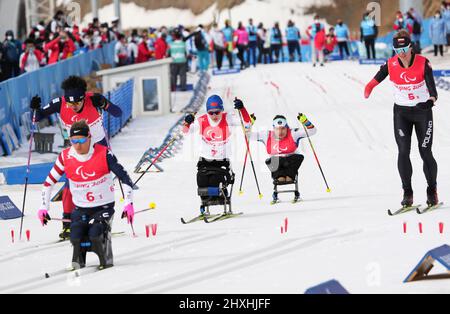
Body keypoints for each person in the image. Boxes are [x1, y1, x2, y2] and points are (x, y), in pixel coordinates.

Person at [29, 76, 123, 239]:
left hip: (98, 148)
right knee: (70, 183)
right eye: (70, 103)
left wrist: (105, 104)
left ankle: (101, 220)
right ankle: (67, 225)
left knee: (98, 183)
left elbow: (118, 113)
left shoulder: (93, 99)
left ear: (83, 98)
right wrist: (35, 109)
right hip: (77, 149)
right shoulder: (59, 102)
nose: (73, 107)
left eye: (77, 103)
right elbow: (37, 118)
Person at [38, 120, 135, 270]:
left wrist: (129, 204)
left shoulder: (104, 153)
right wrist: (43, 208)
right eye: (74, 141)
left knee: (95, 234)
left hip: (103, 207)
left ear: (89, 137)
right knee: (75, 236)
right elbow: (48, 183)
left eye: (82, 140)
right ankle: (78, 261)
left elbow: (125, 178)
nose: (78, 145)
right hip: (81, 208)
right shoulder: (65, 156)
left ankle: (105, 258)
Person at [364, 30, 439, 208]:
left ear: (411, 47)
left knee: (425, 151)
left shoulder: (423, 63)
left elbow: (433, 91)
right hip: (401, 114)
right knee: (403, 152)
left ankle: (432, 190)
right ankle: (407, 192)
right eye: (398, 50)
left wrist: (429, 102)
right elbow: (373, 82)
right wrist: (368, 88)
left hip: (422, 112)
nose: (402, 54)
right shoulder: (391, 64)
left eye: (404, 49)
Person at [182, 95, 252, 216]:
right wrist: (186, 122)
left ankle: (220, 199)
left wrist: (242, 109)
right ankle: (205, 203)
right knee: (201, 181)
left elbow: (247, 124)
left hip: (222, 161)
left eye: (217, 112)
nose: (214, 116)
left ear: (222, 110)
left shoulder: (228, 118)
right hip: (205, 160)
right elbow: (184, 132)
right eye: (211, 113)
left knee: (215, 181)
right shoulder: (202, 120)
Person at [249, 114, 317, 203]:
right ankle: (279, 177)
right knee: (273, 161)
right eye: (277, 129)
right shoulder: (266, 135)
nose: (280, 132)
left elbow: (312, 131)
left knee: (298, 157)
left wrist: (305, 121)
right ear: (273, 128)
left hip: (291, 162)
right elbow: (248, 135)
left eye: (283, 128)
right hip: (276, 163)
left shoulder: (293, 133)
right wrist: (249, 123)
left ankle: (289, 176)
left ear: (287, 127)